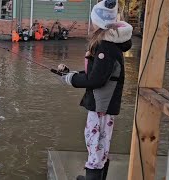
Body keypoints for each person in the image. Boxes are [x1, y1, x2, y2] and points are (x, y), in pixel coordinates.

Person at [57, 0, 133, 179]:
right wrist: (72, 74)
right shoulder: (111, 44)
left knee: (95, 143)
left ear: (97, 22)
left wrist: (71, 79)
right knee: (102, 143)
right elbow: (97, 73)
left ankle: (92, 176)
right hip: (105, 104)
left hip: (101, 105)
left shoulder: (104, 47)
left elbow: (96, 79)